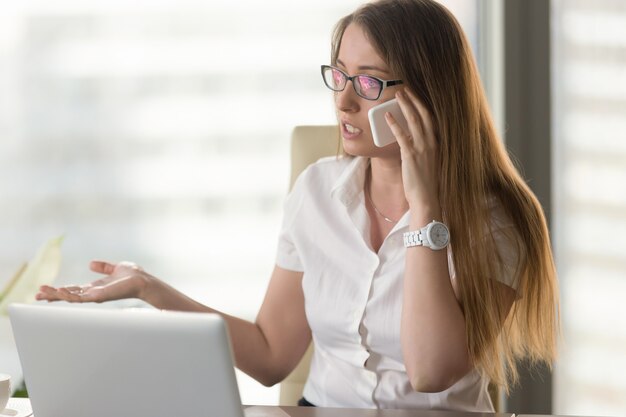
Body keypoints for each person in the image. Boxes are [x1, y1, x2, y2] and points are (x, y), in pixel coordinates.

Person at [36, 0, 560, 412]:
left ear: (429, 97)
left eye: (370, 82)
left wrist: (426, 209)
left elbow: (429, 372)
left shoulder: (498, 220)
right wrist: (150, 288)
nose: (344, 102)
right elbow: (270, 356)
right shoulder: (317, 192)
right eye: (339, 75)